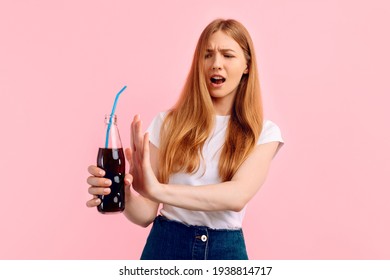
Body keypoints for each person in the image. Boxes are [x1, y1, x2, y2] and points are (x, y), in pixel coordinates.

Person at [86, 18, 284, 260]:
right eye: (208, 55)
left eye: (228, 55)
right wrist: (124, 194)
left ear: (247, 66)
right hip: (165, 247)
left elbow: (237, 196)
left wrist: (157, 190)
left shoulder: (264, 132)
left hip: (226, 253)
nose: (216, 64)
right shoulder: (167, 124)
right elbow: (145, 214)